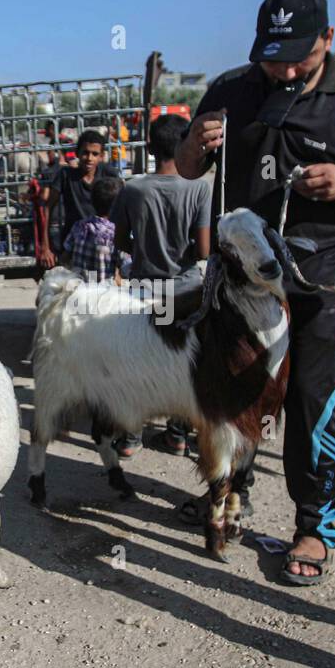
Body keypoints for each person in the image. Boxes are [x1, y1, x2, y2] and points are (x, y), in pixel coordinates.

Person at [177, 0, 335, 584]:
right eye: (273, 57)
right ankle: (230, 492)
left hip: (317, 281)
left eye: (298, 57)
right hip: (239, 282)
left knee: (311, 398)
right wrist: (195, 143)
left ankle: (314, 525)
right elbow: (186, 167)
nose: (284, 70)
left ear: (328, 39)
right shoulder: (231, 89)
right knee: (232, 389)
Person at [113, 114, 211, 456]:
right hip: (185, 291)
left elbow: (120, 241)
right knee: (182, 363)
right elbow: (203, 250)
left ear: (149, 147)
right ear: (185, 145)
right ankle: (177, 435)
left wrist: (144, 249)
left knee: (135, 363)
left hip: (144, 291)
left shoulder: (133, 189)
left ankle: (130, 438)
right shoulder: (200, 188)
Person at [37, 129, 121, 269]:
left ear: (101, 156)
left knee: (103, 281)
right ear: (77, 153)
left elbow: (122, 208)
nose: (89, 158)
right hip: (74, 246)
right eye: (85, 153)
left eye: (95, 154)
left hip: (104, 245)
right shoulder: (65, 176)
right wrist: (45, 247)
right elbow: (47, 208)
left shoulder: (109, 174)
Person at [63, 175, 124, 281]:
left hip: (79, 288)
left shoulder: (79, 226)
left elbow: (65, 256)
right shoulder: (115, 233)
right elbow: (126, 265)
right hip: (104, 289)